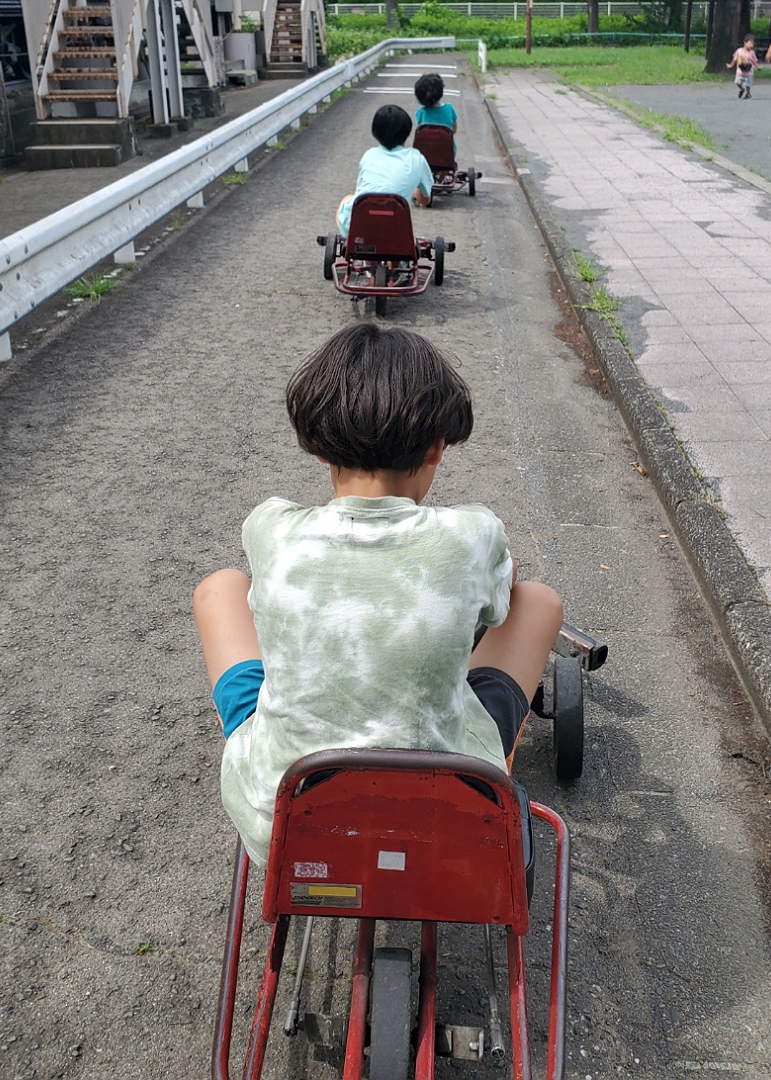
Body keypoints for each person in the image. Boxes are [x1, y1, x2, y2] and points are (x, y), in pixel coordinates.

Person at [193, 324, 564, 867]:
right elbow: (503, 600)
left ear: (319, 451)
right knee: (539, 601)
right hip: (450, 816)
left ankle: (259, 739)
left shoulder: (269, 527)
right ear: (438, 447)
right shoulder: (475, 533)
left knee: (220, 588)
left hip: (287, 818)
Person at [334, 104, 433, 238]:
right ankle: (396, 258)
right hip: (396, 229)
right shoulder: (417, 158)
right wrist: (416, 193)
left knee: (348, 199)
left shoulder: (369, 155)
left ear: (375, 132)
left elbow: (361, 191)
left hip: (362, 226)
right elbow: (425, 200)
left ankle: (370, 258)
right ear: (407, 132)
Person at [414, 72, 458, 152]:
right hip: (447, 153)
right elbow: (454, 130)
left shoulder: (420, 113)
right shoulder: (449, 108)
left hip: (426, 153)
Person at [727, 33, 760, 99]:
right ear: (745, 42)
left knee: (748, 84)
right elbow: (735, 59)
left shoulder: (752, 52)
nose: (752, 45)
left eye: (753, 44)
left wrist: (758, 66)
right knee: (737, 82)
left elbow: (754, 61)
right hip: (740, 71)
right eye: (750, 43)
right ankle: (742, 89)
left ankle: (748, 93)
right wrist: (731, 65)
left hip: (749, 71)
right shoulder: (739, 51)